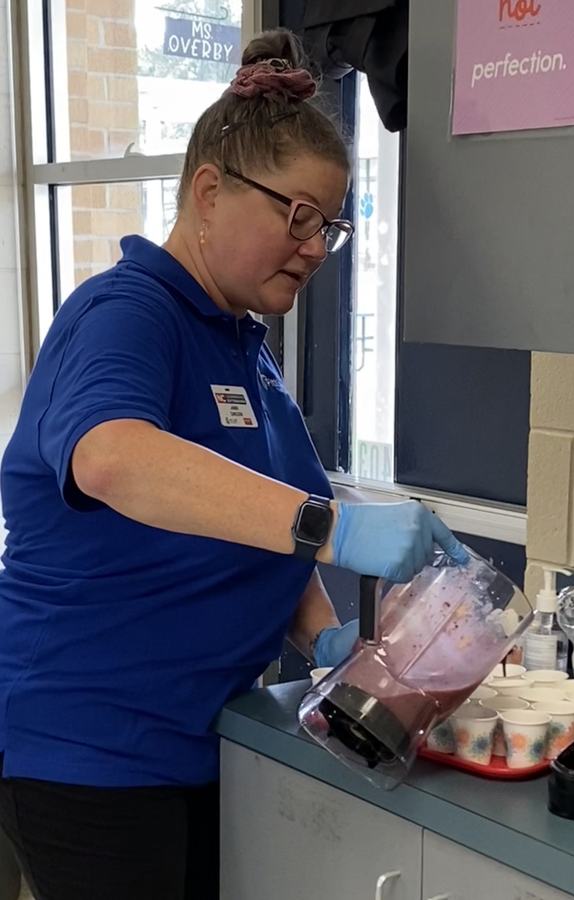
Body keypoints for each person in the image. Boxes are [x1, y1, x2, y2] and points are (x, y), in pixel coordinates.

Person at [0, 29, 467, 900]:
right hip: (93, 753)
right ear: (209, 193)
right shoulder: (126, 315)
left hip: (204, 738)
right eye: (298, 217)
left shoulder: (243, 347)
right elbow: (111, 458)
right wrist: (333, 526)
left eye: (329, 226)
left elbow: (258, 525)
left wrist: (324, 638)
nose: (316, 247)